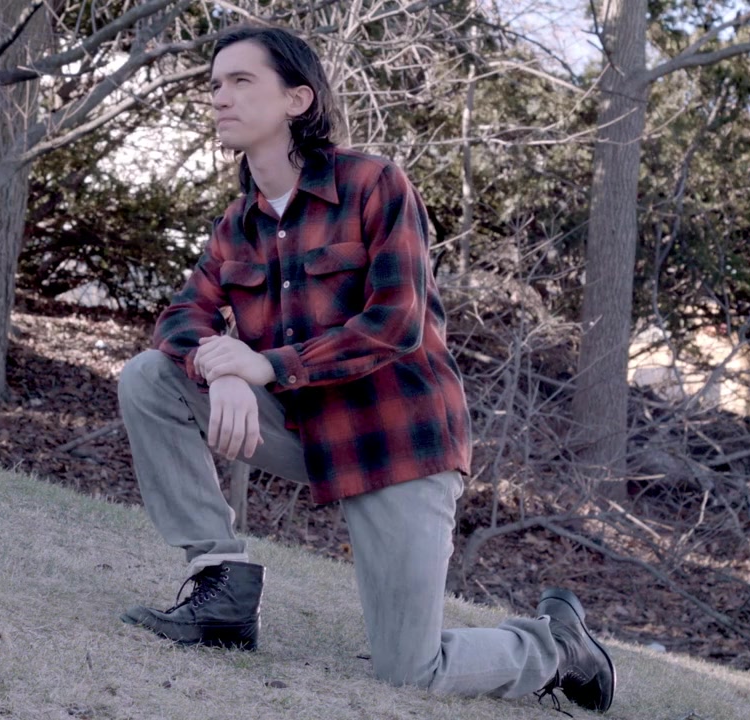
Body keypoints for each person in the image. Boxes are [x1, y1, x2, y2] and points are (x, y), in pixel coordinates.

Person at [115, 25, 615, 713]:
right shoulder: (239, 224)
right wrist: (222, 368)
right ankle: (220, 584)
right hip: (304, 431)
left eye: (241, 81)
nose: (220, 97)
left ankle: (557, 646)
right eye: (215, 85)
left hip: (396, 443)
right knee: (151, 376)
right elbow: (181, 318)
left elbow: (396, 323)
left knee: (411, 668)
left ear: (297, 99)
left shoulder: (375, 184)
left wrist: (263, 364)